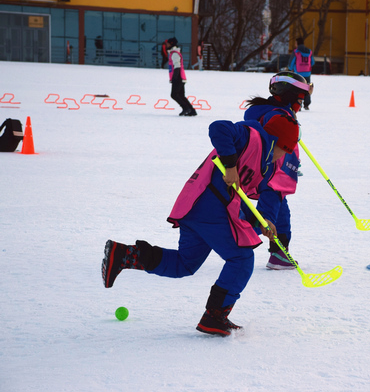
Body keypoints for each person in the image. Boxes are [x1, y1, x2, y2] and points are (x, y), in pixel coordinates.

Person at [102, 112, 300, 336]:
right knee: (242, 258)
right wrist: (231, 165)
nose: (284, 156)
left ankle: (125, 254)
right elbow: (218, 128)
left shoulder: (268, 164)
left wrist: (266, 220)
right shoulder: (248, 137)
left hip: (200, 212)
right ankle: (215, 316)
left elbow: (269, 192)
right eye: (285, 150)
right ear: (276, 141)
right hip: (209, 206)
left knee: (184, 264)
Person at [244, 71, 312, 270]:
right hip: (272, 176)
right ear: (289, 96)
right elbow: (272, 145)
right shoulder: (277, 115)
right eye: (299, 99)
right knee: (266, 218)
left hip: (275, 174)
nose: (300, 104)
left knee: (281, 214)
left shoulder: (268, 110)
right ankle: (230, 239)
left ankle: (279, 254)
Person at [166, 37, 196, 116]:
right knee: (181, 95)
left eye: (167, 43)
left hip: (178, 77)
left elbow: (177, 66)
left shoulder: (174, 54)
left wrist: (174, 78)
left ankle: (186, 108)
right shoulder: (173, 53)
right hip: (180, 77)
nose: (166, 45)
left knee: (174, 94)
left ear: (171, 44)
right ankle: (192, 111)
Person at [288, 37, 315, 110]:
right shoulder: (309, 51)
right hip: (307, 73)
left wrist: (291, 68)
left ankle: (298, 104)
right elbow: (312, 62)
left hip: (298, 73)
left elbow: (291, 64)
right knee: (307, 88)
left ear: (297, 43)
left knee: (298, 88)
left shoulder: (296, 52)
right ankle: (306, 104)